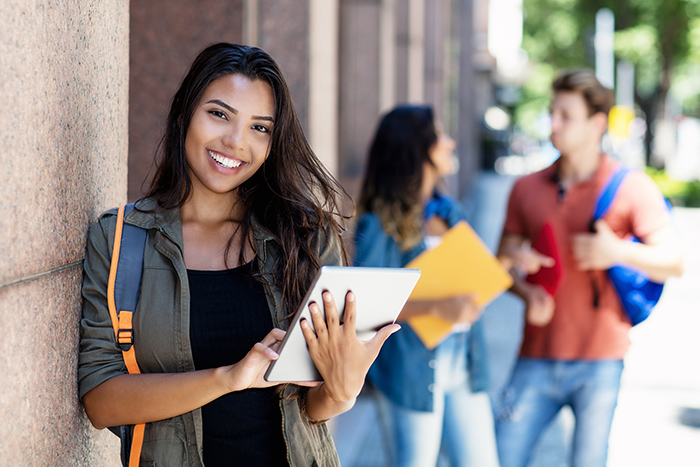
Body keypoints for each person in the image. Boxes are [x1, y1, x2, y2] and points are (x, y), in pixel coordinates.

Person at [78, 43, 400, 467]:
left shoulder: (302, 235)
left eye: (259, 128)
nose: (235, 142)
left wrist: (343, 388)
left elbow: (315, 408)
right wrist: (228, 378)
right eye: (219, 114)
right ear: (184, 114)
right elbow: (101, 400)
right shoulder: (120, 238)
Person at [495, 69, 684, 467]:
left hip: (600, 362)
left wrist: (616, 251)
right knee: (501, 458)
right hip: (534, 356)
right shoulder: (525, 188)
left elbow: (674, 262)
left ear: (597, 123)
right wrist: (525, 288)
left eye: (566, 115)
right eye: (552, 113)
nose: (554, 124)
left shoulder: (630, 186)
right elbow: (501, 264)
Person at [354, 105, 500, 467]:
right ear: (415, 149)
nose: (450, 142)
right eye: (439, 136)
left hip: (464, 362)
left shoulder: (450, 212)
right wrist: (437, 308)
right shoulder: (379, 225)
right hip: (412, 372)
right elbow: (366, 307)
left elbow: (475, 279)